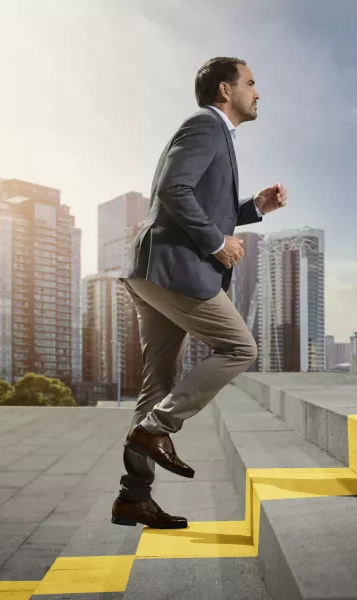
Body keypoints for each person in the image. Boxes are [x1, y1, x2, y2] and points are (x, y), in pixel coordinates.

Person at [111, 57, 288, 529]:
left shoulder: (215, 136)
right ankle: (157, 430)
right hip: (174, 269)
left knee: (158, 384)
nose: (257, 91)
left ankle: (134, 497)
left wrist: (253, 208)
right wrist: (216, 242)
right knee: (240, 346)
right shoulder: (206, 125)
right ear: (225, 90)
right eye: (251, 82)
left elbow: (202, 200)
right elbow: (173, 189)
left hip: (154, 271)